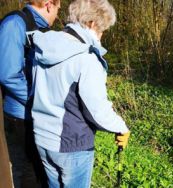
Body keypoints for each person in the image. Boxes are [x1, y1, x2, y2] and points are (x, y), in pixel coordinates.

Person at [30, 0, 130, 187]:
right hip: (71, 145)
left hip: (42, 137)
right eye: (103, 30)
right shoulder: (86, 58)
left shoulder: (44, 45)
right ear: (92, 23)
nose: (102, 36)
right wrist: (120, 127)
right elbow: (97, 110)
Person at [0, 0, 61, 187]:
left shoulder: (39, 28)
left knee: (39, 170)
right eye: (58, 9)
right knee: (29, 172)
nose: (58, 15)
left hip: (33, 112)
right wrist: (38, 99)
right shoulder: (14, 24)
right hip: (20, 115)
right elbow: (8, 74)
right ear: (49, 4)